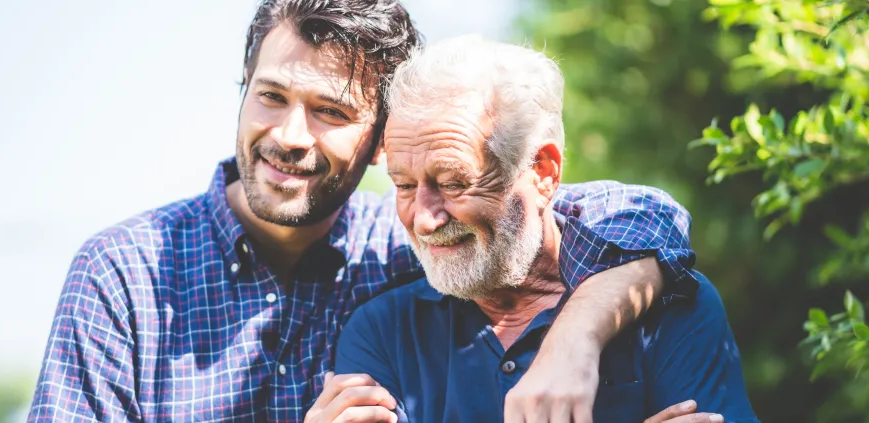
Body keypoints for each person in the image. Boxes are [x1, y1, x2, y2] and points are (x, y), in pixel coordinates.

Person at [27, 1, 698, 422]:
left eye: (330, 112)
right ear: (242, 91)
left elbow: (640, 217)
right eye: (271, 96)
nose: (290, 134)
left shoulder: (416, 244)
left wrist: (575, 337)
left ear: (383, 141)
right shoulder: (123, 275)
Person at [313, 36, 759, 423]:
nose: (426, 219)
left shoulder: (669, 307)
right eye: (404, 185)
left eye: (453, 183)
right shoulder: (382, 334)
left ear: (543, 171)